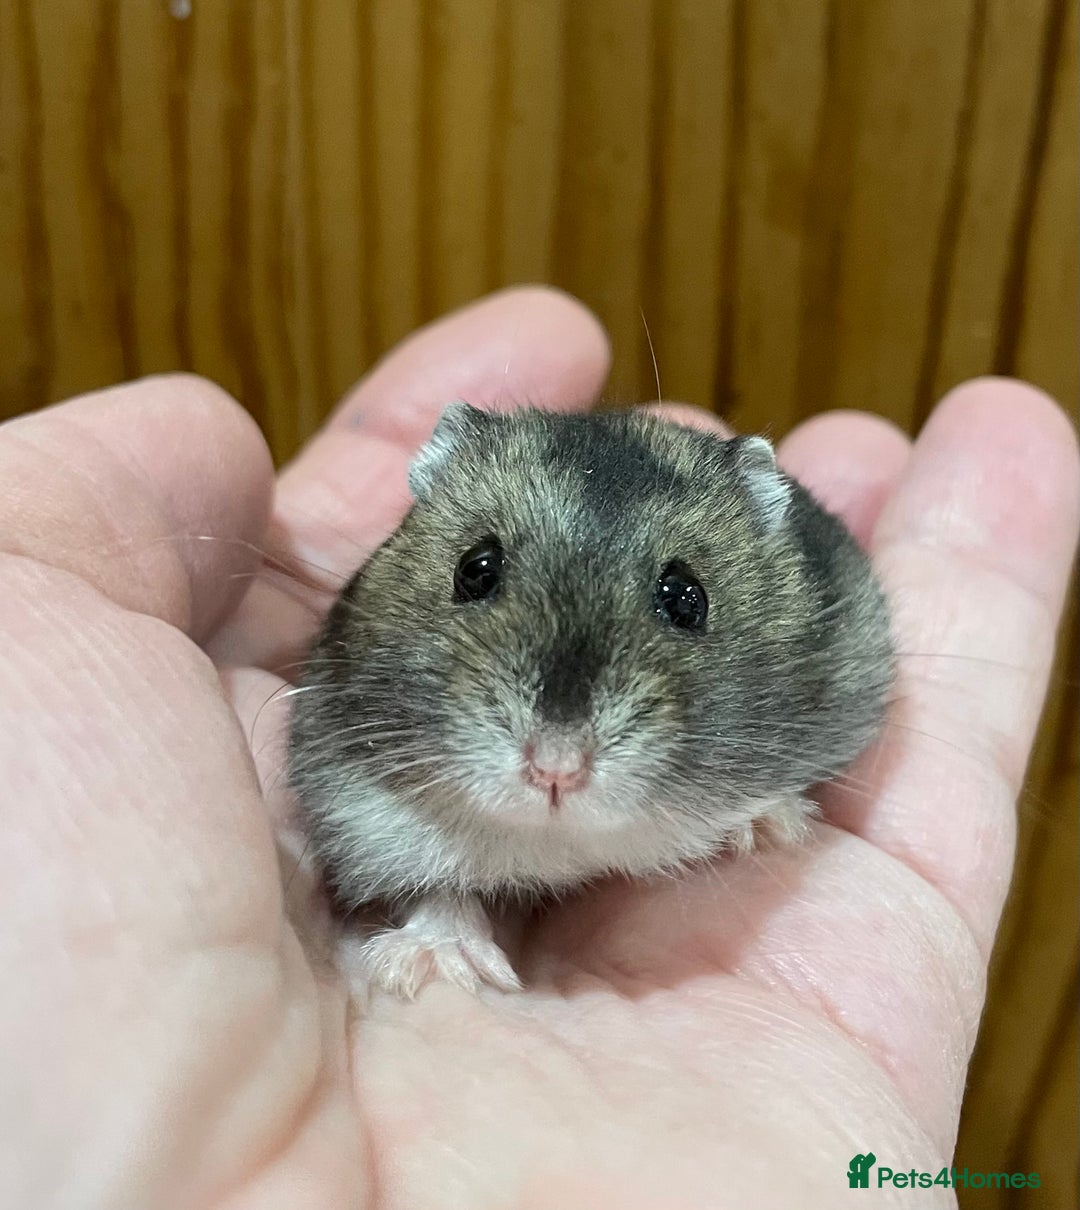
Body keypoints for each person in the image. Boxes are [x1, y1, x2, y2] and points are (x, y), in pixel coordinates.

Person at [1, 286, 1075, 1208]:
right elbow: (333, 771)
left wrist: (768, 778)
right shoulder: (361, 709)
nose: (556, 753)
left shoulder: (802, 652)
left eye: (681, 598)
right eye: (479, 576)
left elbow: (851, 628)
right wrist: (437, 899)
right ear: (437, 489)